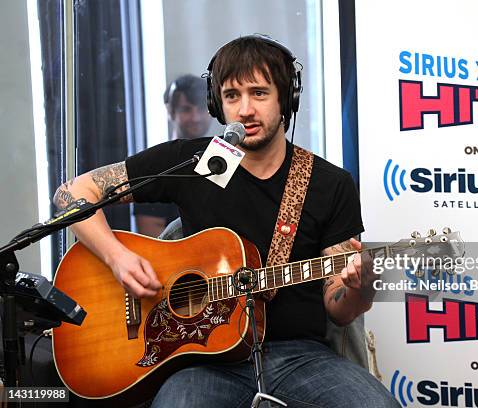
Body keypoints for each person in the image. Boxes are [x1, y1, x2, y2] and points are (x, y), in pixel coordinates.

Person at [53, 34, 399, 408]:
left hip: (300, 357)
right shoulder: (194, 164)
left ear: (287, 99)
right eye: (232, 96)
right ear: (218, 105)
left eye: (259, 93)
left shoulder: (329, 184)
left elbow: (338, 305)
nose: (245, 110)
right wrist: (117, 258)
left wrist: (361, 290)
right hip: (203, 361)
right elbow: (72, 193)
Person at [134, 74, 214, 237]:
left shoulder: (224, 159)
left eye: (201, 108)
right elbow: (152, 239)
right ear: (170, 110)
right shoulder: (156, 164)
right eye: (186, 109)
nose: (195, 118)